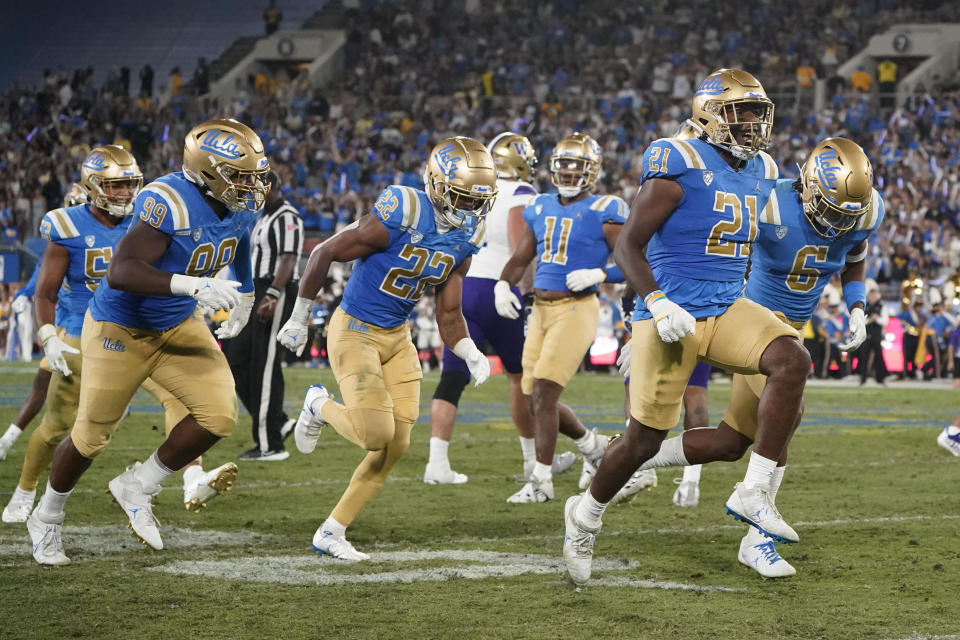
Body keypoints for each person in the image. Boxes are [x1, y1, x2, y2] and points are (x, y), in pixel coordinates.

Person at [562, 69, 811, 585]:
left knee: (792, 360)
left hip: (725, 306)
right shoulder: (679, 158)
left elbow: (778, 227)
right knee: (643, 442)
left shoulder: (763, 166)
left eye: (756, 113)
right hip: (671, 314)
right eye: (739, 112)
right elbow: (628, 244)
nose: (750, 125)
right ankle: (585, 514)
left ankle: (754, 492)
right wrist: (652, 305)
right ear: (708, 113)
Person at [608, 137, 882, 578]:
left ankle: (636, 455)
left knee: (731, 443)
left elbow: (854, 256)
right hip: (746, 320)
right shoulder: (769, 201)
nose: (835, 222)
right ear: (809, 186)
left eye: (845, 214)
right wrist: (643, 316)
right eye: (830, 209)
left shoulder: (863, 208)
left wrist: (855, 306)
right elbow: (687, 248)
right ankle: (758, 539)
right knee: (787, 419)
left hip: (792, 326)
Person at [25, 120, 268, 565]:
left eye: (254, 174)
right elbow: (123, 271)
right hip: (120, 326)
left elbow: (242, 239)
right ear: (207, 171)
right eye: (240, 175)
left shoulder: (241, 203)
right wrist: (191, 286)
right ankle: (47, 516)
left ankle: (138, 484)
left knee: (218, 416)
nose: (250, 185)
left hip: (176, 325)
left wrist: (247, 293)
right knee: (90, 437)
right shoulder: (169, 200)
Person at [277, 136, 496, 560]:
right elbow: (324, 252)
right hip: (355, 329)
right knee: (375, 433)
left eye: (477, 201)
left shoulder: (468, 235)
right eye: (461, 198)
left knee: (397, 446)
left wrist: (469, 350)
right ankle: (318, 404)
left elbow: (448, 314)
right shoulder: (404, 210)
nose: (469, 210)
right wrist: (299, 315)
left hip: (398, 338)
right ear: (436, 185)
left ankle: (332, 531)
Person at [423, 132, 574, 485]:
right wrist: (531, 290)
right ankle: (529, 460)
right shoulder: (523, 193)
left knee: (453, 376)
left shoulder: (472, 184)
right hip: (497, 287)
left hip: (462, 282)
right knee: (521, 379)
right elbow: (522, 246)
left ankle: (437, 463)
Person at [495, 132, 626, 504]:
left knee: (544, 392)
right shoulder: (539, 207)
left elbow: (634, 260)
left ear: (593, 170)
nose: (568, 173)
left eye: (577, 166)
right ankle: (592, 446)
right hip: (540, 309)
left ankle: (541, 482)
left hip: (576, 306)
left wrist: (601, 275)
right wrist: (502, 285)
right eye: (563, 165)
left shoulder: (607, 208)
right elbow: (522, 257)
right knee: (532, 395)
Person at [223, 170, 304, 461]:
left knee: (265, 365)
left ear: (273, 188)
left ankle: (271, 445)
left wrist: (272, 294)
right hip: (256, 288)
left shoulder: (288, 217)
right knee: (235, 361)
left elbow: (289, 258)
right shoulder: (263, 217)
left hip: (275, 289)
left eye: (258, 188)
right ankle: (277, 421)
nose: (253, 193)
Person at [858, 287, 888, 385]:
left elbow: (885, 321)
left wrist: (877, 319)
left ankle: (880, 378)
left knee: (879, 356)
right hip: (865, 335)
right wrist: (870, 319)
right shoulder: (864, 306)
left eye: (875, 295)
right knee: (864, 356)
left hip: (876, 335)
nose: (873, 297)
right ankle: (863, 378)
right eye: (871, 295)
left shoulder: (882, 306)